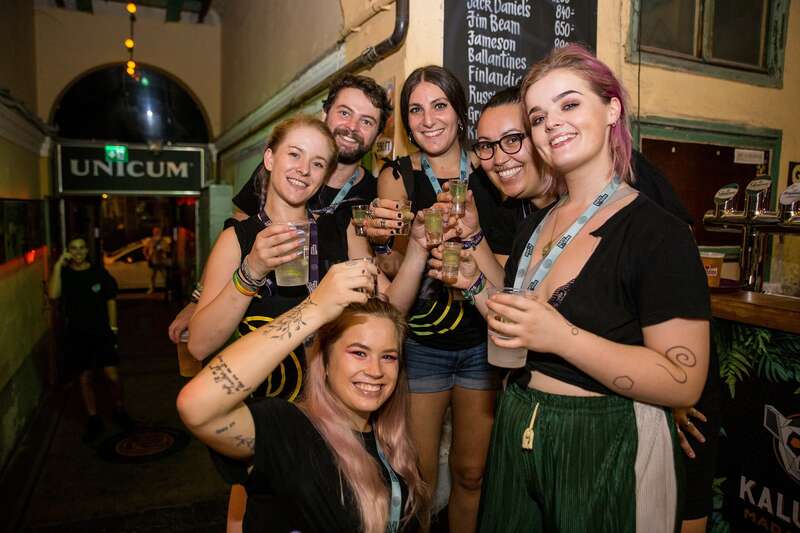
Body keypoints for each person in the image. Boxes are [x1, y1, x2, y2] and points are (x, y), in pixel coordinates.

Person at [451, 44, 711, 532]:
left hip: (605, 441)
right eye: (538, 116)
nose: (552, 124)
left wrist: (561, 337)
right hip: (517, 424)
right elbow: (524, 328)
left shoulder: (657, 233)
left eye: (569, 105)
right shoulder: (535, 226)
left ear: (611, 108)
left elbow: (684, 380)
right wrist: (474, 288)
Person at [177, 263, 431, 532]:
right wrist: (314, 309)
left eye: (389, 357)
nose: (376, 371)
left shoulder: (395, 447)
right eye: (359, 352)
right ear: (325, 360)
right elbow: (196, 406)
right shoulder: (290, 430)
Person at [167, 73, 392, 344]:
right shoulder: (275, 177)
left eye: (366, 121)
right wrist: (200, 299)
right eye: (344, 112)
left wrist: (386, 248)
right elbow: (237, 235)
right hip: (262, 331)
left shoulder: (373, 196)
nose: (352, 126)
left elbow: (384, 292)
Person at [369, 65, 496, 532]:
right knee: (418, 479)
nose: (427, 119)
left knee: (471, 472)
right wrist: (391, 249)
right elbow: (394, 271)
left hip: (483, 343)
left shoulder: (491, 169)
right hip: (423, 346)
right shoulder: (397, 177)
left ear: (460, 112)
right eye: (415, 110)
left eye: (439, 105)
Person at [48, 236, 131, 442]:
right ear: (68, 251)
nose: (78, 252)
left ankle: (119, 409)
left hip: (101, 332)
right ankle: (93, 418)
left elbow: (111, 299)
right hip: (77, 334)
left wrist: (113, 329)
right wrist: (58, 264)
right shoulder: (65, 274)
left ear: (87, 251)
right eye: (73, 249)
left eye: (81, 248)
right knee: (84, 378)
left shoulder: (98, 273)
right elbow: (53, 294)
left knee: (112, 376)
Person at [143, 226, 171, 295]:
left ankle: (168, 289)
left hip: (161, 261)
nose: (156, 232)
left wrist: (162, 250)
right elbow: (145, 249)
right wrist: (147, 257)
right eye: (154, 231)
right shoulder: (150, 241)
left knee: (165, 276)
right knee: (152, 276)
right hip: (153, 261)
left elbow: (167, 249)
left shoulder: (163, 241)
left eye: (157, 231)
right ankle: (152, 288)